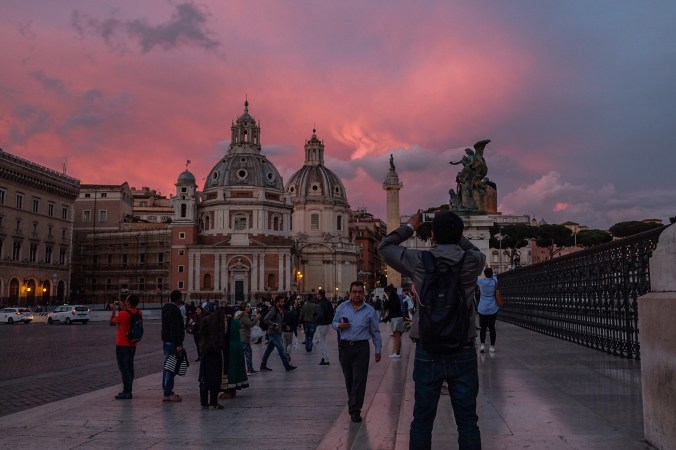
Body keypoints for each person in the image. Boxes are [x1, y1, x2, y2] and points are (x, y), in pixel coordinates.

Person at [378, 210, 485, 450]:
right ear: (459, 235)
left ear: (433, 235)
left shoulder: (418, 260)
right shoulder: (473, 261)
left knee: (422, 422)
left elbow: (385, 247)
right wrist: (458, 236)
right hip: (463, 349)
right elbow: (477, 252)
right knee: (468, 422)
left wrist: (410, 227)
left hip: (428, 350)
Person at [332, 281, 382, 423]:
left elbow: (375, 332)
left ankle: (355, 410)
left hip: (361, 348)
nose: (357, 294)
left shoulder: (370, 311)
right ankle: (353, 403)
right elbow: (333, 323)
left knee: (359, 380)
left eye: (360, 292)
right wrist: (339, 326)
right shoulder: (342, 307)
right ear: (350, 293)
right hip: (345, 347)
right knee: (349, 379)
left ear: (363, 293)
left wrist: (378, 349)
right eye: (355, 292)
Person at [109, 294, 141, 400]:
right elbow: (130, 314)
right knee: (130, 366)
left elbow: (111, 323)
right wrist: (124, 308)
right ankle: (128, 389)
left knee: (124, 369)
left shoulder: (122, 314)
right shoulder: (138, 312)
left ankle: (127, 391)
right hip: (133, 343)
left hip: (122, 344)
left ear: (128, 302)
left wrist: (113, 310)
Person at [260, 295, 297, 372]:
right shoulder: (273, 310)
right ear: (277, 302)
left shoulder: (280, 309)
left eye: (283, 302)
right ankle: (287, 366)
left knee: (268, 350)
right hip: (274, 333)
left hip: (278, 332)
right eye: (281, 302)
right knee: (281, 349)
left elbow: (279, 320)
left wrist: (284, 325)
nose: (283, 303)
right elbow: (265, 319)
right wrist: (273, 325)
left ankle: (263, 365)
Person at [219, 306, 249, 399]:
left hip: (230, 347)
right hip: (238, 346)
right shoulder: (236, 322)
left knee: (229, 368)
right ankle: (234, 390)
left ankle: (228, 390)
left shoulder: (225, 322)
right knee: (237, 367)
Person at [162, 289, 186, 402]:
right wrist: (178, 344)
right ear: (179, 298)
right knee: (171, 368)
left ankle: (166, 390)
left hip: (166, 341)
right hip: (172, 343)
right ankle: (168, 392)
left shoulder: (166, 308)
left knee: (167, 366)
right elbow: (175, 329)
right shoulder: (175, 311)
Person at [477, 267, 499, 353]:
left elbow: (475, 277)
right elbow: (494, 276)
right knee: (492, 327)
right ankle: (492, 346)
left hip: (482, 308)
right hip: (493, 307)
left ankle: (482, 345)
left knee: (483, 328)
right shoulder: (494, 281)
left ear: (485, 274)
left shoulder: (481, 281)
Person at [235, 303, 260, 375]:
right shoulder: (244, 315)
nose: (250, 308)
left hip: (241, 336)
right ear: (244, 307)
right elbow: (250, 324)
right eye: (248, 306)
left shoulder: (240, 314)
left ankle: (248, 369)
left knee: (246, 353)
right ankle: (249, 370)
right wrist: (257, 318)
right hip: (244, 336)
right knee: (248, 353)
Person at [313, 289, 333, 366]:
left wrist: (315, 318)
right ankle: (324, 356)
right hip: (325, 323)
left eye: (317, 294)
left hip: (321, 324)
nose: (316, 295)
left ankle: (326, 358)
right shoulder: (327, 302)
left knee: (321, 341)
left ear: (320, 295)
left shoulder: (321, 304)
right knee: (315, 341)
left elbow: (320, 315)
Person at [384, 284, 403, 359]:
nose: (386, 294)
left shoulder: (393, 296)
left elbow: (394, 308)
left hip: (396, 318)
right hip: (397, 317)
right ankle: (397, 352)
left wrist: (387, 303)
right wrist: (386, 319)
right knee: (397, 335)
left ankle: (397, 353)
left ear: (389, 291)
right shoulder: (394, 296)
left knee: (397, 336)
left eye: (386, 292)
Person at [282, 297, 300, 363]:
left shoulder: (283, 314)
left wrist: (284, 326)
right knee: (289, 343)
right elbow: (294, 324)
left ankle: (284, 355)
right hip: (290, 331)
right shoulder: (292, 314)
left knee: (284, 343)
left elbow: (281, 321)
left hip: (284, 331)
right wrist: (295, 332)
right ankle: (288, 353)